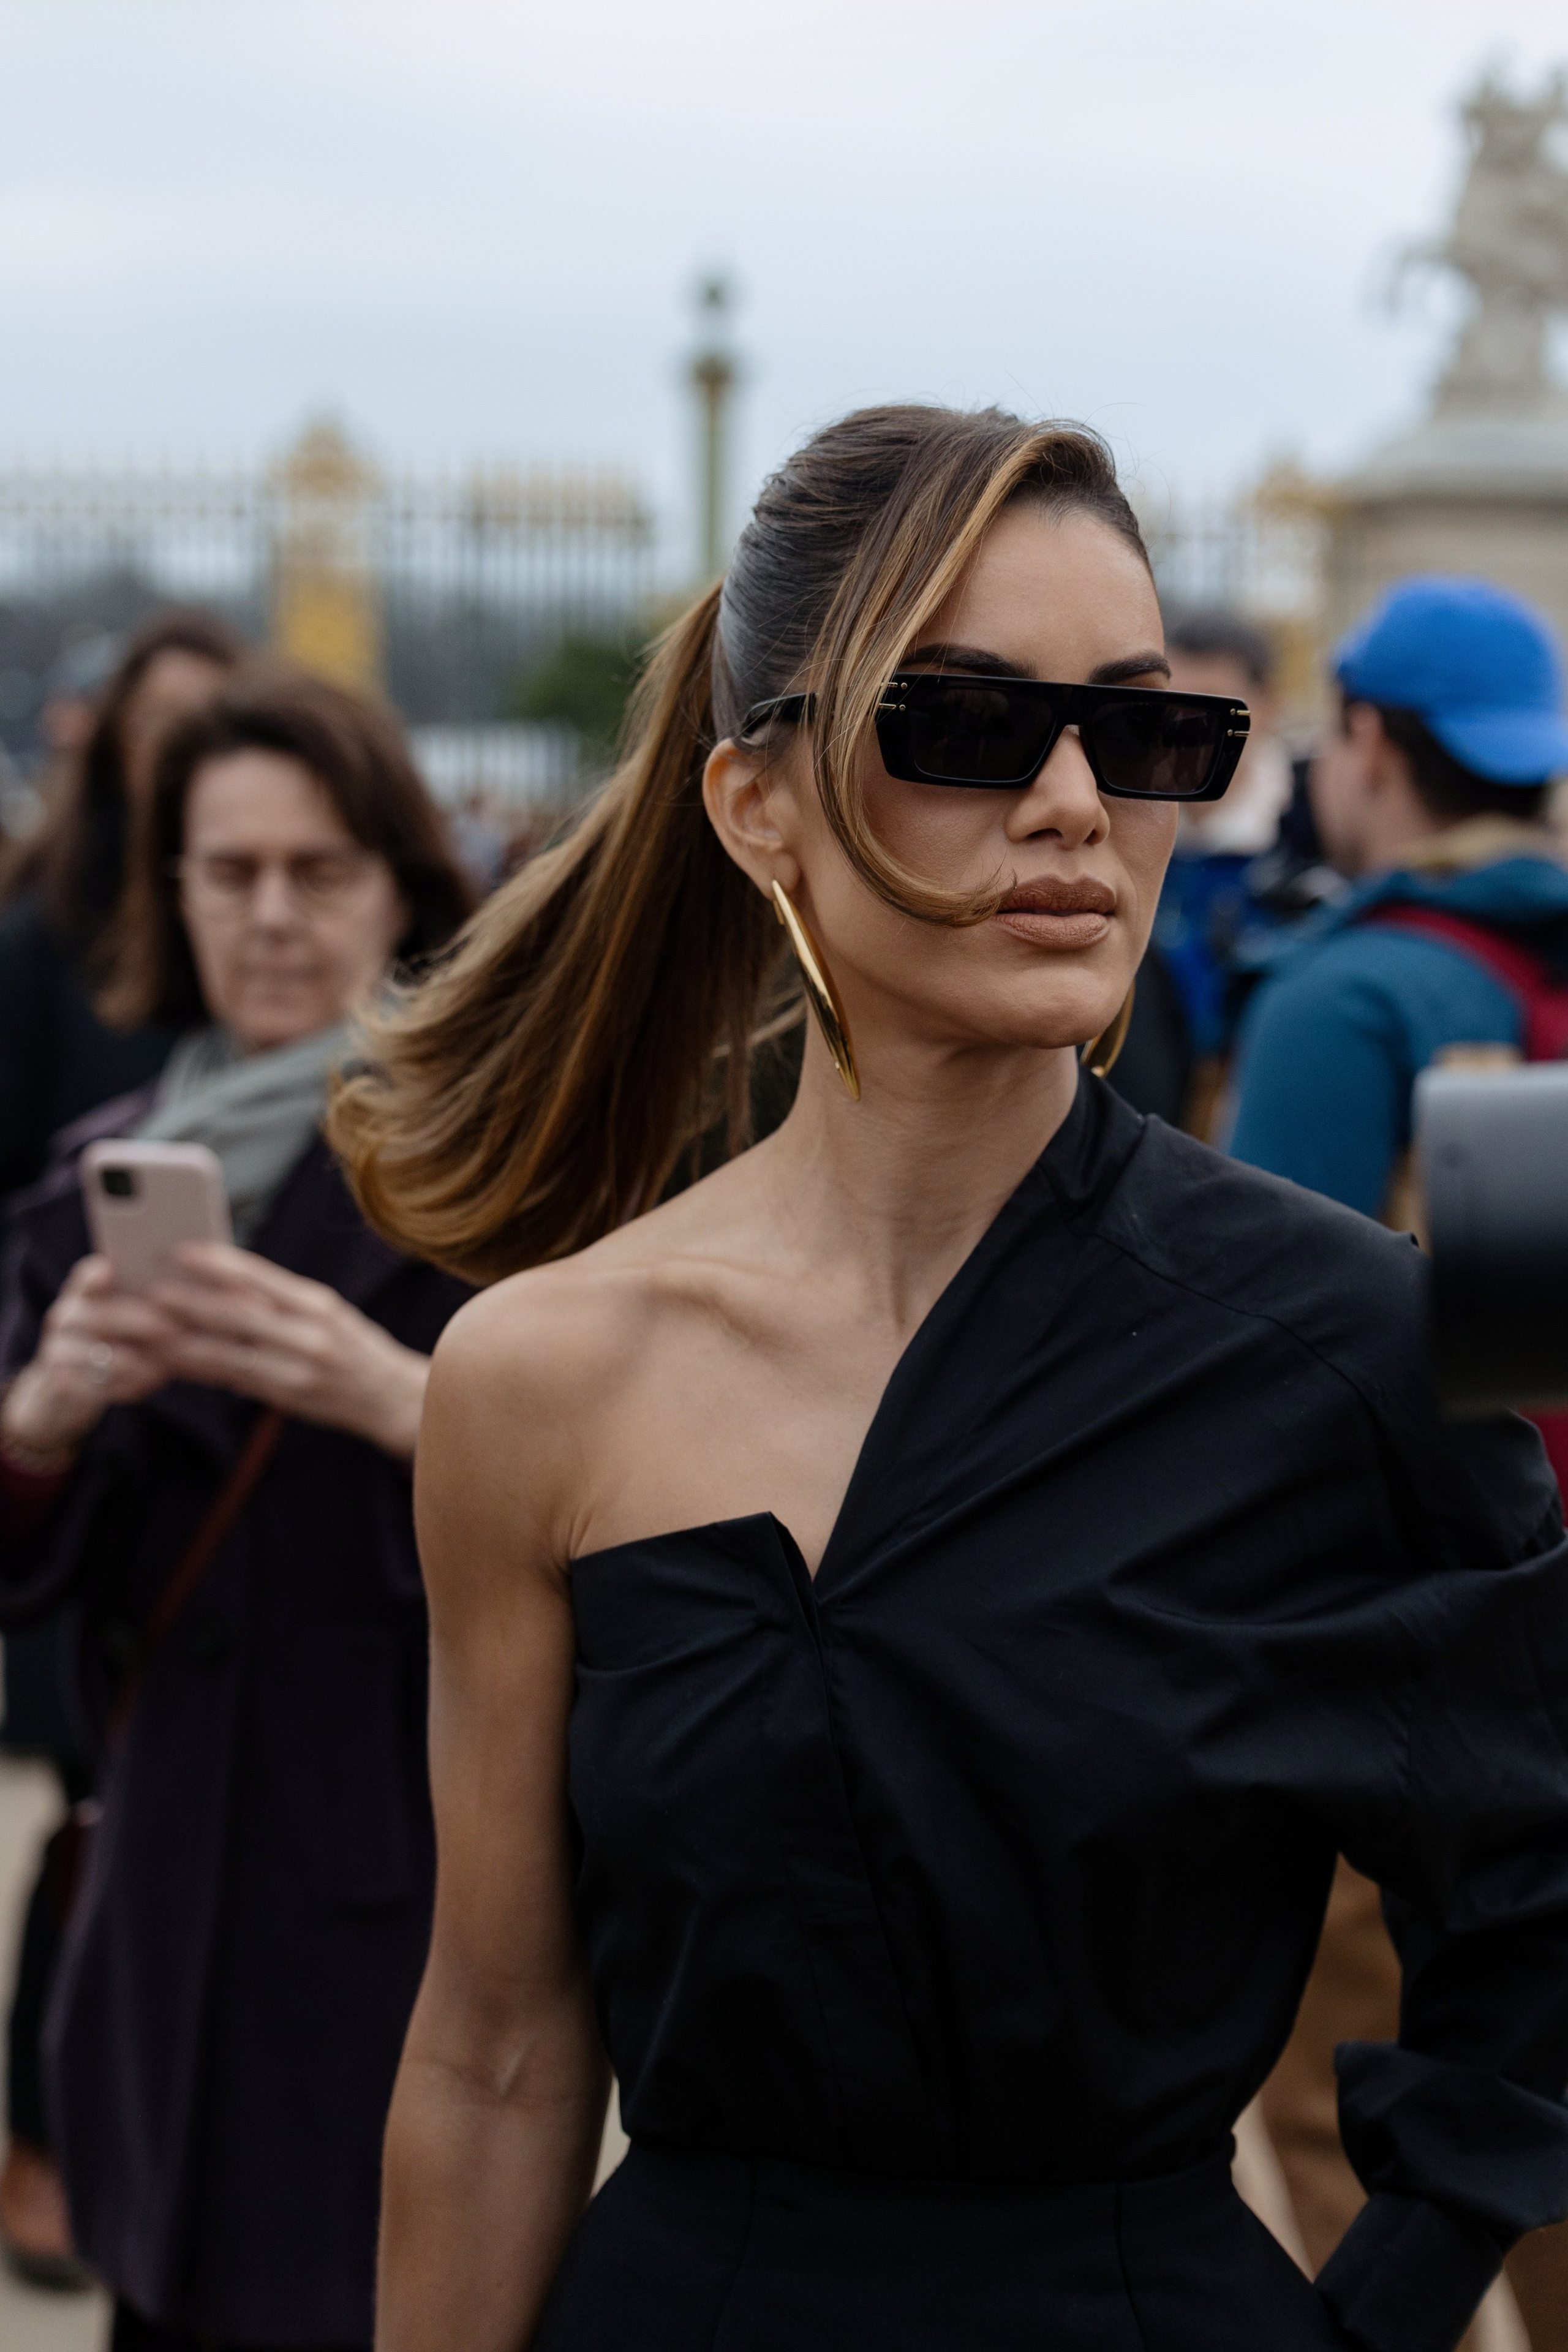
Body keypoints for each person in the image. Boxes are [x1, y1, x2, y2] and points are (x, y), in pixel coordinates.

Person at [332, 405, 1568, 2352]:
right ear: (762, 805)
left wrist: (1378, 2318)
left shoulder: (1346, 1353)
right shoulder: (537, 1378)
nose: (1079, 803)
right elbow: (491, 2049)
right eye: (970, 723)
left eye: (1151, 735)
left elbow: (1539, 1937)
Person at [0, 668, 475, 2350]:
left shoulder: (496, 1173)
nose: (272, 915)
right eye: (229, 871)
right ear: (172, 888)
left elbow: (627, 1517)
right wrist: (41, 1422)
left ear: (404, 889)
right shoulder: (96, 1184)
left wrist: (394, 1395)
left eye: (320, 869)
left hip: (391, 1903)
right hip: (158, 1897)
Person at [1226, 575, 1568, 2352]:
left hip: (1407, 1666)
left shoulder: (1346, 995)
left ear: (1366, 740)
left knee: (1362, 2136)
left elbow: (1262, 1372)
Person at [0, 608, 241, 2280]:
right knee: (100, 1805)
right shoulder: (41, 946)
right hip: (89, 1403)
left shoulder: (262, 949)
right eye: (158, 737)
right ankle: (43, 2135)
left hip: (231, 1436)